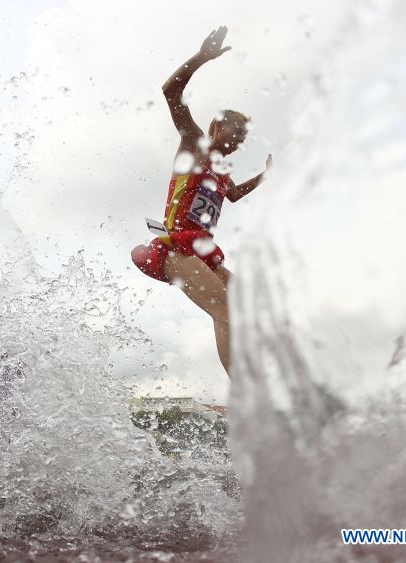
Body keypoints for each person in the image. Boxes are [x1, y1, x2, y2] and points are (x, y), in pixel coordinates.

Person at [131, 27, 272, 377]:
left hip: (201, 254)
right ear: (215, 128)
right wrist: (202, 58)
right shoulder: (194, 144)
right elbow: (170, 92)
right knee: (223, 309)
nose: (238, 143)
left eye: (242, 140)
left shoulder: (221, 176)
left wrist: (264, 178)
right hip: (174, 251)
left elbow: (234, 195)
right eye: (234, 134)